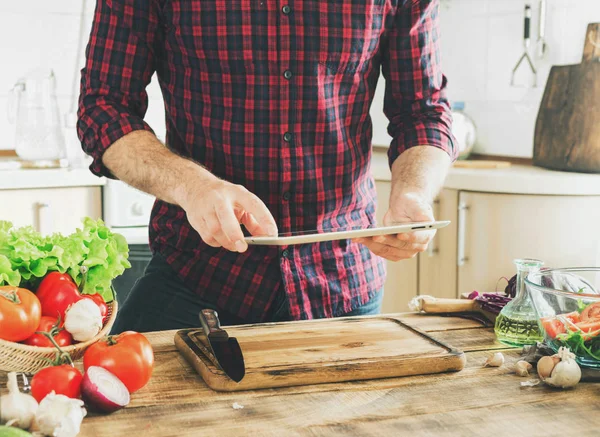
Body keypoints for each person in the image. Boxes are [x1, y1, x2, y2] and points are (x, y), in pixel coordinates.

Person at [77, 0, 457, 333]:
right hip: (195, 275)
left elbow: (422, 111)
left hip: (343, 282)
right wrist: (193, 186)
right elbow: (103, 107)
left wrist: (413, 191)